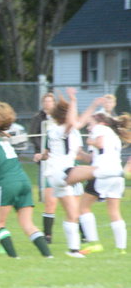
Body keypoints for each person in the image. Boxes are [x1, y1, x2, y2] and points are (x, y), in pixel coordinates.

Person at [0, 102, 52, 259]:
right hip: (23, 182)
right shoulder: (3, 141)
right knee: (28, 224)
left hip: (9, 184)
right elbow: (7, 167)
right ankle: (48, 256)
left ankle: (14, 258)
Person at [60, 108, 131, 256]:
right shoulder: (114, 135)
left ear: (101, 122)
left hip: (101, 173)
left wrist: (89, 141)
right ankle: (121, 249)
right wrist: (80, 154)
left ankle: (94, 243)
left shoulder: (100, 128)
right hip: (117, 174)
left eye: (90, 123)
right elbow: (93, 157)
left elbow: (100, 143)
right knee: (114, 211)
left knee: (83, 207)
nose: (88, 127)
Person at [32, 89, 85, 258]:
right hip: (63, 174)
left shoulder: (52, 131)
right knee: (99, 172)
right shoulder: (63, 130)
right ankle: (72, 247)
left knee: (72, 214)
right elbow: (71, 122)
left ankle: (73, 250)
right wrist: (73, 100)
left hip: (57, 174)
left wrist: (41, 156)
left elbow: (48, 153)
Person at [29, 92, 57, 243]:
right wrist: (41, 152)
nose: (48, 103)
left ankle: (84, 235)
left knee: (73, 203)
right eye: (45, 101)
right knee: (49, 200)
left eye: (50, 101)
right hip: (46, 159)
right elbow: (33, 136)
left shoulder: (59, 120)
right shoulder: (38, 118)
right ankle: (48, 235)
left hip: (62, 163)